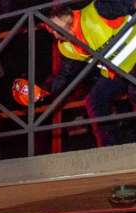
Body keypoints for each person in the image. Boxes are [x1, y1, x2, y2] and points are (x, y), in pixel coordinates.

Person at [38, 2, 136, 148]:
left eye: (54, 27)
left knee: (133, 90)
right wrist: (41, 91)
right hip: (118, 72)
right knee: (95, 99)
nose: (54, 34)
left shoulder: (99, 10)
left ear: (66, 16)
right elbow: (63, 75)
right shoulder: (66, 46)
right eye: (50, 31)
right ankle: (110, 149)